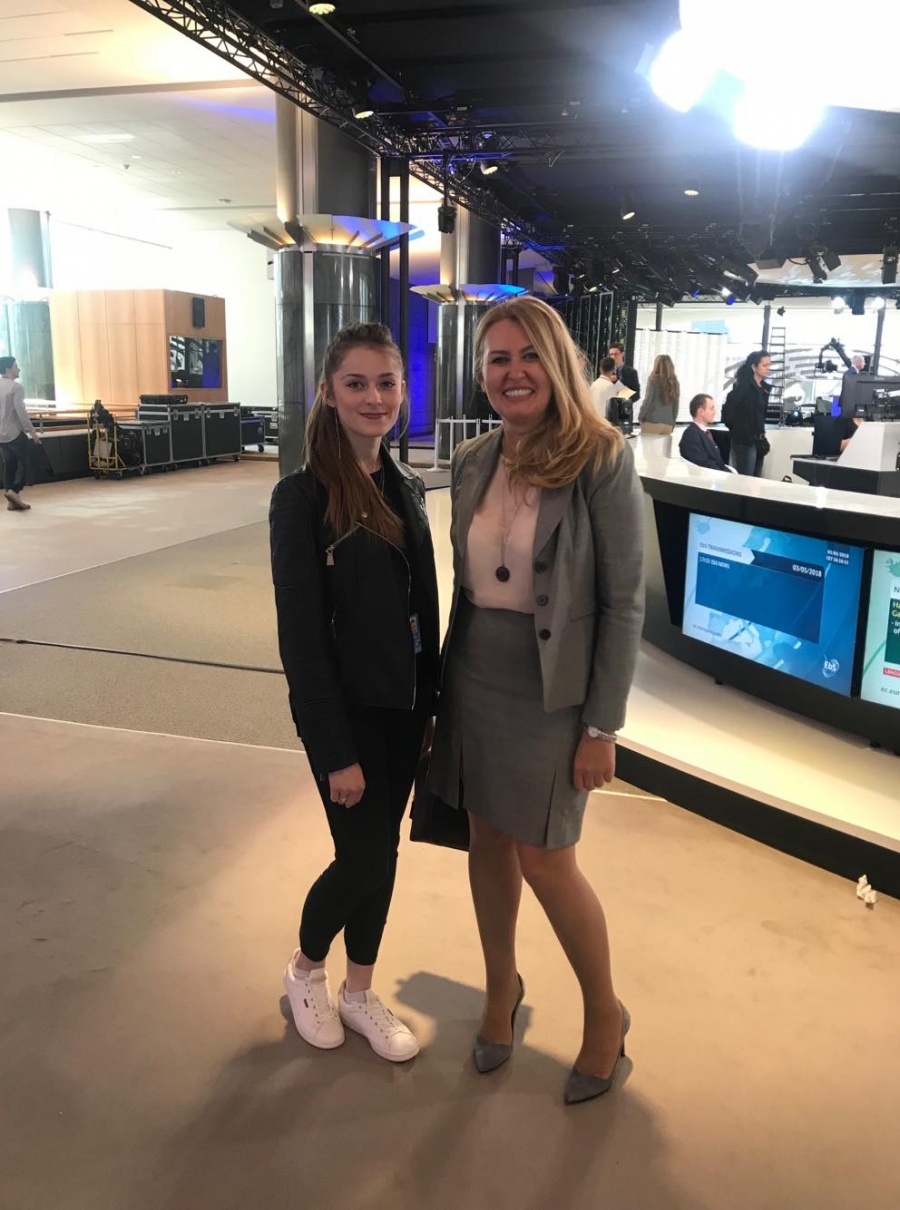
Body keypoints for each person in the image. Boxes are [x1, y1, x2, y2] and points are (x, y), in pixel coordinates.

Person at [428, 296, 645, 1104]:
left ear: (555, 365)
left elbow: (624, 601)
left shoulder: (601, 456)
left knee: (548, 858)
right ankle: (500, 991)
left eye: (527, 356)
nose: (513, 372)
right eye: (498, 358)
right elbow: (465, 587)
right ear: (482, 373)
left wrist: (602, 725)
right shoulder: (472, 458)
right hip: (474, 672)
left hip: (553, 689)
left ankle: (605, 1014)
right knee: (486, 839)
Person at [269, 322, 440, 1063]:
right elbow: (301, 638)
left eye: (387, 383)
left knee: (384, 854)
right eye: (357, 383)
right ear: (329, 393)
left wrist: (432, 707)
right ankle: (305, 969)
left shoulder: (407, 486)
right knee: (363, 858)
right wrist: (335, 749)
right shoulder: (302, 497)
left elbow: (425, 607)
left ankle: (360, 991)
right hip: (347, 714)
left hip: (405, 707)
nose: (375, 398)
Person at [0, 356, 41, 512]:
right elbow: (21, 412)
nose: (19, 369)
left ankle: (12, 501)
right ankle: (14, 490)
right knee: (27, 463)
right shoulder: (16, 387)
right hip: (15, 433)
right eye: (16, 366)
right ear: (8, 369)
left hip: (1, 436)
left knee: (9, 466)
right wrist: (32, 432)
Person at [722, 350, 771, 476]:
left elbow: (760, 415)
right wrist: (739, 430)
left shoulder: (764, 388)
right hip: (744, 440)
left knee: (756, 479)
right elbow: (728, 410)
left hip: (759, 439)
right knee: (745, 478)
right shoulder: (743, 386)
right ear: (754, 367)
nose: (768, 368)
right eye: (764, 365)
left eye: (769, 365)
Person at [679, 394, 735, 472]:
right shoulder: (691, 436)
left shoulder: (703, 433)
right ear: (700, 412)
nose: (714, 412)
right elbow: (701, 463)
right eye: (712, 409)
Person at [638, 353, 679, 434]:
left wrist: (641, 416)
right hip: (668, 424)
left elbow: (648, 400)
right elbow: (675, 406)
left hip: (653, 422)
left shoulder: (653, 379)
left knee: (647, 443)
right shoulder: (674, 383)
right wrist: (672, 424)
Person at [588, 355, 619, 420]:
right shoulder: (611, 387)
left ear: (600, 369)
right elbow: (612, 409)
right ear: (613, 369)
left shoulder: (593, 384)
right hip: (605, 421)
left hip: (592, 419)